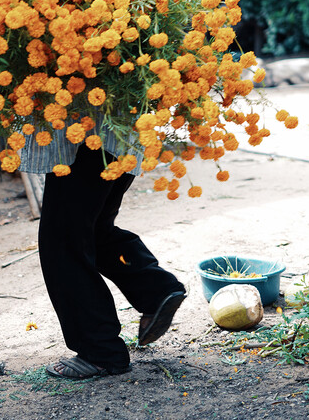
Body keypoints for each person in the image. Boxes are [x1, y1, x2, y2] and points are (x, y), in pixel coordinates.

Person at [21, 131, 187, 380]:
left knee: (63, 240)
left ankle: (99, 351)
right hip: (117, 130)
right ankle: (156, 290)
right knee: (93, 229)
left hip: (85, 133)